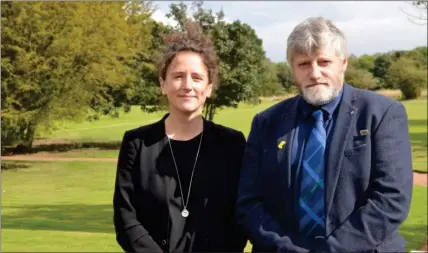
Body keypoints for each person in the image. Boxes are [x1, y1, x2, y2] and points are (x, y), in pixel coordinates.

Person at [236, 17, 413, 252]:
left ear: (343, 63)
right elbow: (249, 203)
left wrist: (330, 250)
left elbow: (392, 198)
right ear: (293, 70)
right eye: (304, 64)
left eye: (324, 62)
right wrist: (289, 249)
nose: (315, 73)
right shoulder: (266, 122)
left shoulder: (381, 114)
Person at [113, 21, 247, 252]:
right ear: (163, 84)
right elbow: (126, 217)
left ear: (209, 87)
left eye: (196, 77)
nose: (187, 85)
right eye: (177, 76)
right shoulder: (137, 144)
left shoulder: (232, 144)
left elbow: (240, 215)